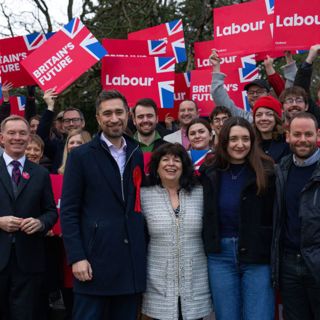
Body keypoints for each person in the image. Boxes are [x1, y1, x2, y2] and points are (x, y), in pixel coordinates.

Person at [60, 89, 146, 320]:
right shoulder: (81, 156)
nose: (114, 118)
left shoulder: (137, 152)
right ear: (98, 118)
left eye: (119, 112)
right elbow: (68, 211)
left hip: (130, 262)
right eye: (107, 113)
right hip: (93, 262)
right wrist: (77, 257)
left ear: (127, 114)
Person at [201, 117, 275, 320]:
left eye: (245, 138)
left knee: (259, 316)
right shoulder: (209, 171)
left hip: (257, 255)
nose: (240, 144)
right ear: (224, 141)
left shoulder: (268, 170)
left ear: (252, 141)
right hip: (220, 256)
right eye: (233, 139)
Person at [141, 143, 212, 320]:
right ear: (156, 166)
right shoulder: (144, 195)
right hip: (158, 281)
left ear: (184, 166)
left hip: (195, 279)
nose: (171, 164)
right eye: (165, 159)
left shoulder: (200, 192)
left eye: (176, 160)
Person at [0, 115, 57, 319]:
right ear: (1, 138)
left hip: (29, 260)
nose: (17, 137)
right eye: (12, 133)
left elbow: (51, 211)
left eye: (23, 133)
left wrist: (40, 223)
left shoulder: (40, 173)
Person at [272, 112, 320, 320]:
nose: (302, 140)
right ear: (287, 136)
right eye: (297, 134)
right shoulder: (280, 170)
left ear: (318, 135)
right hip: (289, 264)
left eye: (308, 134)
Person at [37, 88, 86, 173]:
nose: (71, 124)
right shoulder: (58, 147)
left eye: (75, 120)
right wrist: (50, 107)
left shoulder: (95, 146)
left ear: (83, 122)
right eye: (67, 121)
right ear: (62, 125)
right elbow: (41, 138)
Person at [252, 96, 290, 163]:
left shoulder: (287, 142)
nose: (263, 118)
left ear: (276, 118)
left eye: (269, 114)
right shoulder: (250, 143)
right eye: (259, 115)